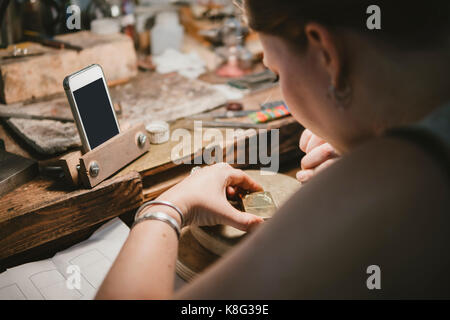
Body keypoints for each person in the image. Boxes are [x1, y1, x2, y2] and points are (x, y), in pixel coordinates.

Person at [96, 0, 450, 299]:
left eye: (277, 73)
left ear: (326, 54)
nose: (280, 89)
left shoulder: (400, 178)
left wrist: (170, 207)